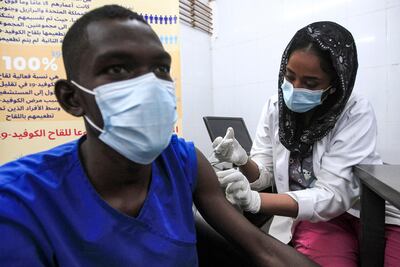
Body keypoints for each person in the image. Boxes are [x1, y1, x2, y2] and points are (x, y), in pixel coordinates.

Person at [0, 5, 318, 267]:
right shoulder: (18, 200)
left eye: (160, 68)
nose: (150, 85)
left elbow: (262, 249)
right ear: (72, 98)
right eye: (118, 69)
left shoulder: (183, 160)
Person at [212, 21, 400, 266]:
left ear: (335, 84)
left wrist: (256, 201)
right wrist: (244, 161)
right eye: (289, 77)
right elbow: (266, 173)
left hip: (369, 210)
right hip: (318, 218)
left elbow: (333, 195)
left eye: (310, 83)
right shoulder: (274, 108)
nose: (295, 89)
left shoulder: (355, 112)